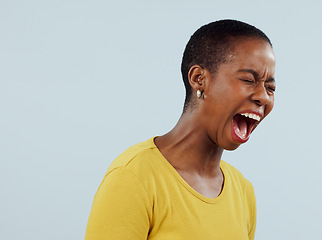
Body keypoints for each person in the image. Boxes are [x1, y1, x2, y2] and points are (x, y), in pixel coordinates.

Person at [85, 19, 276, 240]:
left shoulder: (243, 191)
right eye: (248, 79)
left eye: (270, 87)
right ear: (199, 79)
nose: (263, 96)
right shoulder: (134, 177)